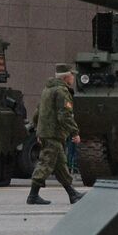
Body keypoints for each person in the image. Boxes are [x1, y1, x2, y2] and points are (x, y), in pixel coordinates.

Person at [26, 63, 82, 206]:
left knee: (60, 165)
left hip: (47, 133)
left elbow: (38, 112)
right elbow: (65, 116)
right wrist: (74, 132)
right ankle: (33, 195)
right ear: (66, 77)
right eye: (72, 75)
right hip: (53, 134)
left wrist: (38, 130)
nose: (73, 77)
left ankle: (72, 194)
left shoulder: (47, 89)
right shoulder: (62, 92)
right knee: (46, 163)